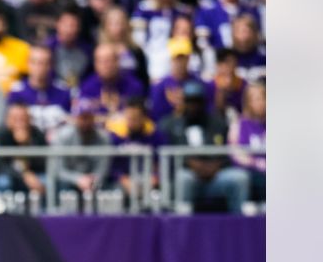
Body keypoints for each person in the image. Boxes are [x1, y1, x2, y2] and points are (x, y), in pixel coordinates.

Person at [160, 80, 248, 213]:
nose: (193, 106)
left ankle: (239, 224)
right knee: (183, 179)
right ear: (184, 103)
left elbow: (227, 152)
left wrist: (215, 166)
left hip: (216, 173)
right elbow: (170, 154)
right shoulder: (171, 125)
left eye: (197, 102)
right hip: (189, 173)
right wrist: (190, 163)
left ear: (204, 102)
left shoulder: (218, 124)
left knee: (239, 178)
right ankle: (182, 227)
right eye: (190, 102)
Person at [130, 0, 192, 84]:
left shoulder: (181, 10)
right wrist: (151, 52)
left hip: (179, 52)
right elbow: (138, 38)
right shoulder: (144, 9)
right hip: (154, 55)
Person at [49, 99, 111, 211]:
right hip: (69, 180)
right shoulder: (62, 136)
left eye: (89, 117)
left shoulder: (102, 137)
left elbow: (103, 167)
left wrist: (94, 179)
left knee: (109, 187)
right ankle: (63, 216)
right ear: (75, 118)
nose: (86, 122)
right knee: (61, 185)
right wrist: (78, 179)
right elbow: (58, 169)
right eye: (82, 117)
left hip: (92, 181)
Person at [0, 100, 48, 210]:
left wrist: (26, 144)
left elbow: (43, 163)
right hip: (9, 174)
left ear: (29, 119)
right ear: (7, 119)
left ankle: (42, 216)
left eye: (23, 118)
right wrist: (23, 175)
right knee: (3, 182)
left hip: (33, 174)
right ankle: (3, 214)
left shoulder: (37, 134)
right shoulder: (0, 134)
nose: (19, 122)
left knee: (45, 181)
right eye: (15, 118)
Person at [106, 96, 164, 205]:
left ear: (144, 117)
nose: (131, 121)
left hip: (149, 179)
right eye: (128, 117)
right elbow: (111, 166)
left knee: (160, 192)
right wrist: (123, 179)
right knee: (114, 191)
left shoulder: (155, 136)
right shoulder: (116, 136)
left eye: (135, 118)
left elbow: (162, 162)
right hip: (125, 180)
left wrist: (155, 178)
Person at [7, 44, 71, 134]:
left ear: (51, 65)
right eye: (35, 62)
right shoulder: (17, 91)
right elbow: (11, 124)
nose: (40, 68)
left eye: (45, 63)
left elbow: (71, 121)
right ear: (28, 64)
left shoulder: (63, 91)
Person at [193, 0, 258, 55]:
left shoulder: (251, 10)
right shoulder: (208, 12)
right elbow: (202, 42)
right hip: (218, 61)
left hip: (247, 60)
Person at [149, 36, 212, 122]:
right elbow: (156, 115)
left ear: (189, 58)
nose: (180, 62)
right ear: (171, 58)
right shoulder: (159, 87)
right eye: (177, 58)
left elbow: (207, 111)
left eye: (183, 58)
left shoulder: (198, 84)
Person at [77, 43, 145, 121]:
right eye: (101, 61)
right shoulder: (87, 87)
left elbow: (139, 118)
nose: (106, 66)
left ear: (117, 61)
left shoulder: (134, 86)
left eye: (109, 61)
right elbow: (82, 118)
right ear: (95, 64)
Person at [230, 81, 265, 205]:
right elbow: (235, 153)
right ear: (248, 102)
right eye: (256, 99)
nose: (261, 102)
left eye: (263, 98)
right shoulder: (239, 124)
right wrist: (256, 163)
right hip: (248, 171)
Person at [98, 5, 148, 89]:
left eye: (121, 23)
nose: (118, 28)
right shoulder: (100, 51)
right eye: (113, 24)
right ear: (105, 26)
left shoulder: (136, 51)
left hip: (133, 95)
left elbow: (143, 78)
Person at [46, 6, 92, 88]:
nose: (69, 30)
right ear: (57, 24)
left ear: (79, 28)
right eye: (65, 24)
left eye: (73, 25)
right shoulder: (47, 48)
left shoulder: (87, 50)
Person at [229, 14, 266, 84]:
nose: (242, 36)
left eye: (245, 31)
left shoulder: (264, 56)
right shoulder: (227, 58)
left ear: (255, 34)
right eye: (238, 31)